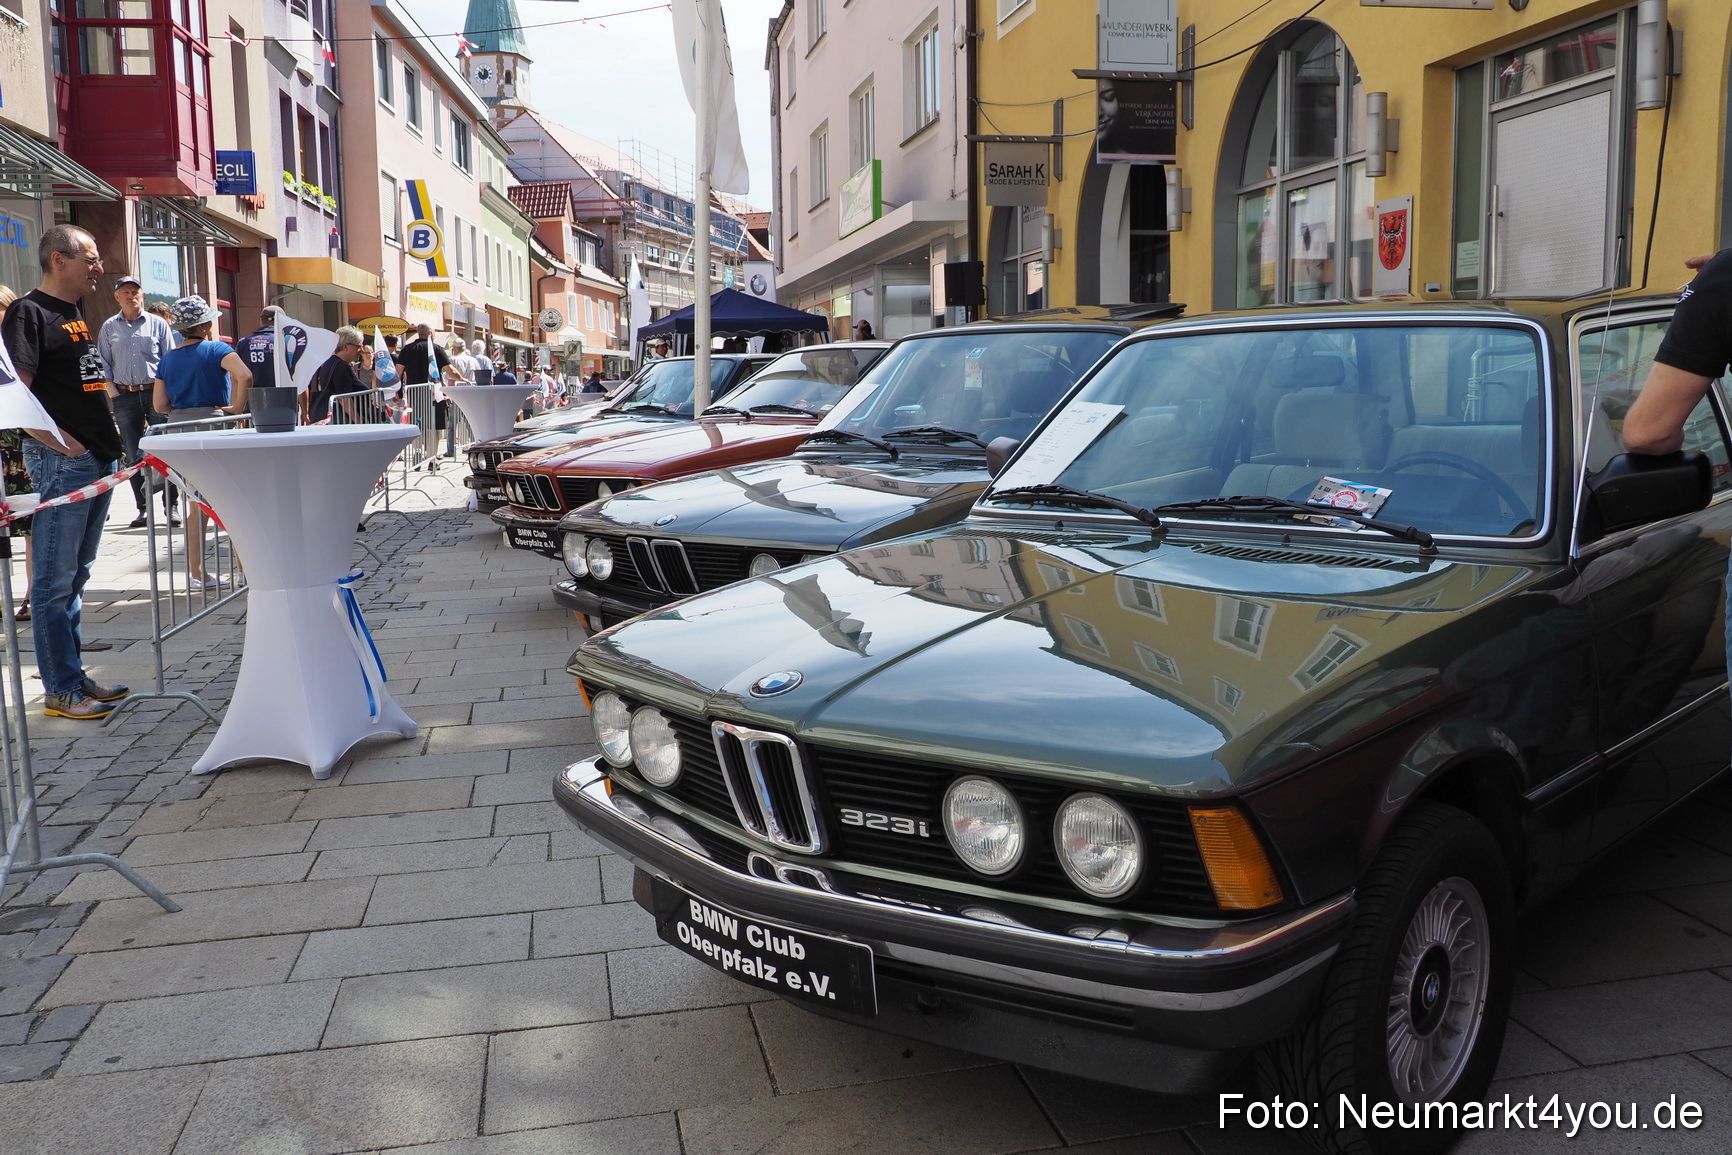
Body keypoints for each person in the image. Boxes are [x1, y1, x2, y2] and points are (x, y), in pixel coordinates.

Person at [1, 226, 129, 719]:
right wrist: (60, 444)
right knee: (54, 583)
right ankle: (60, 689)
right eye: (90, 259)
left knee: (74, 577)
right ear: (59, 259)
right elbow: (15, 395)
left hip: (94, 458)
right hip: (66, 463)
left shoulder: (72, 311)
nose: (100, 268)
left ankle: (72, 677)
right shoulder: (28, 312)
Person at [154, 295, 252, 588]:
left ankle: (197, 572)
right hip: (213, 426)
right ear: (205, 324)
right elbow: (245, 375)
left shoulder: (168, 358)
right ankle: (243, 569)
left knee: (196, 502)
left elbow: (159, 405)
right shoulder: (217, 349)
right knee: (231, 499)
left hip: (180, 429)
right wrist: (236, 408)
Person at [97, 275, 176, 529]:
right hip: (125, 396)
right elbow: (103, 361)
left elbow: (169, 359)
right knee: (132, 453)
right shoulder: (109, 327)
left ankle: (171, 506)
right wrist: (112, 390)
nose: (131, 296)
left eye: (135, 291)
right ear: (117, 297)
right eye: (126, 292)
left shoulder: (158, 324)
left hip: (156, 393)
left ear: (142, 295)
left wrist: (168, 392)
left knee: (165, 449)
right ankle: (143, 509)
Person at [307, 325, 375, 424]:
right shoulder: (340, 366)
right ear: (345, 347)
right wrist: (359, 422)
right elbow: (344, 398)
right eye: (359, 346)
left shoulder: (328, 362)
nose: (362, 350)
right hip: (342, 423)